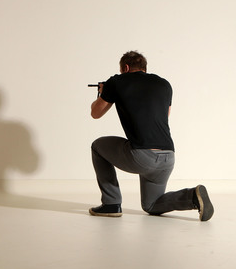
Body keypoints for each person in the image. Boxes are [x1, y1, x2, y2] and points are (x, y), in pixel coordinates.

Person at [89, 51, 214, 221]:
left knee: (97, 146)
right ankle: (192, 196)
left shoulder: (116, 82)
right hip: (168, 157)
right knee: (151, 205)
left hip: (142, 156)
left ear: (125, 67)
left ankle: (111, 204)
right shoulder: (164, 85)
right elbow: (164, 116)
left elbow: (95, 113)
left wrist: (103, 92)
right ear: (144, 69)